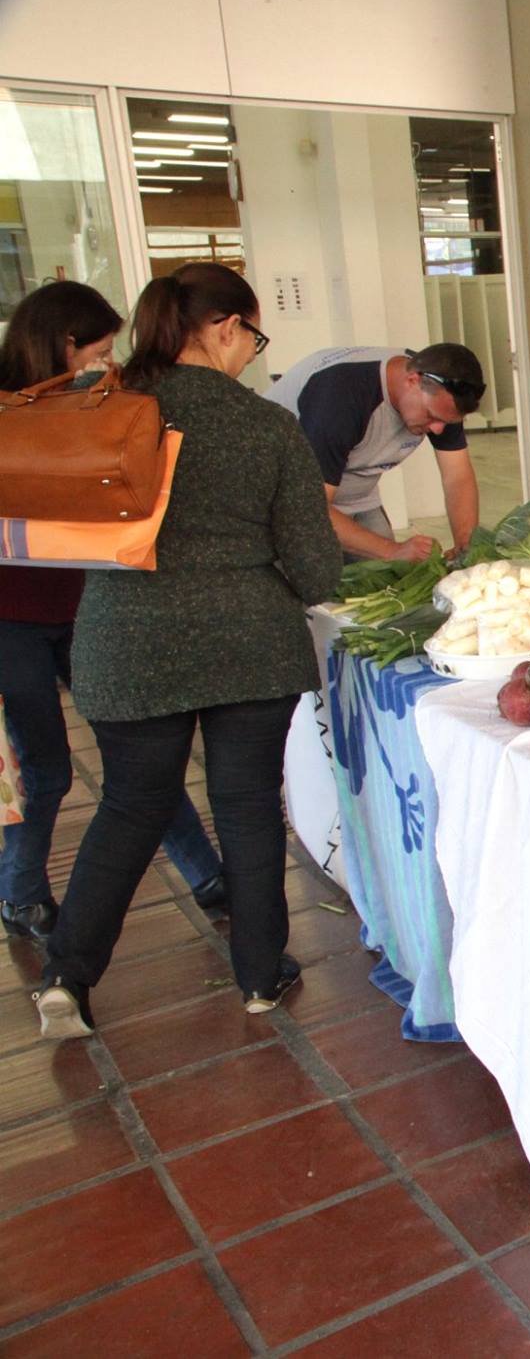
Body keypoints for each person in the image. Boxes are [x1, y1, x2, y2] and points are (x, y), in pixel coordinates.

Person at [33, 263, 341, 1039]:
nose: (251, 355)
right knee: (245, 804)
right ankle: (261, 975)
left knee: (132, 804)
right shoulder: (267, 425)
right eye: (251, 337)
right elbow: (313, 567)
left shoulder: (104, 409)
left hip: (127, 635)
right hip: (249, 637)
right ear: (225, 328)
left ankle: (68, 975)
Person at [0, 283, 230, 939]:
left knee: (142, 756)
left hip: (82, 606)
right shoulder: (18, 409)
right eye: (98, 351)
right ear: (64, 344)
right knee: (42, 769)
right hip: (10, 621)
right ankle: (20, 893)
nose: (107, 364)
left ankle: (207, 875)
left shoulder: (99, 402)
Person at [262, 343, 486, 562]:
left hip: (354, 493)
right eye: (432, 416)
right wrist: (392, 551)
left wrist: (465, 548)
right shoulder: (340, 398)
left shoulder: (443, 395)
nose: (438, 429)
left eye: (446, 421)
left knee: (388, 584)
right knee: (312, 589)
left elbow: (457, 476)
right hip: (283, 499)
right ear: (412, 381)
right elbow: (307, 508)